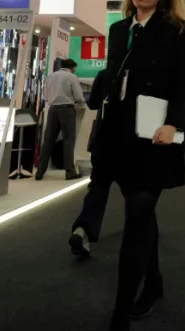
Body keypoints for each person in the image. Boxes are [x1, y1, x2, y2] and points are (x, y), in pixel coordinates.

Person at [89, 0, 185, 330]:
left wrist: (174, 124)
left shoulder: (176, 30)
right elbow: (114, 79)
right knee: (143, 215)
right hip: (119, 135)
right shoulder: (119, 30)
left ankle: (121, 310)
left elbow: (182, 83)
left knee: (138, 212)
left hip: (155, 134)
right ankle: (155, 282)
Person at [69, 68, 112, 259]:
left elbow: (93, 104)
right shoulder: (143, 70)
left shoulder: (105, 74)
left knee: (98, 188)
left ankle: (82, 229)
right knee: (138, 195)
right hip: (132, 143)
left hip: (105, 138)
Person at [36, 58, 85, 181]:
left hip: (53, 110)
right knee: (68, 140)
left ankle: (40, 171)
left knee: (48, 140)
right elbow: (79, 97)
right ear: (72, 68)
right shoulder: (72, 77)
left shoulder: (51, 76)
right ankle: (70, 172)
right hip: (67, 110)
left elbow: (46, 96)